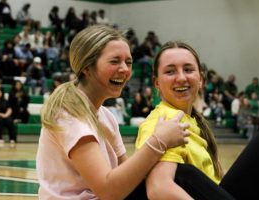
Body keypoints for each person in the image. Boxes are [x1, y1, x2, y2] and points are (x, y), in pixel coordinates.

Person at [36, 25, 190, 200]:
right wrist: (158, 141)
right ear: (87, 67)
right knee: (183, 177)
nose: (124, 69)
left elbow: (129, 178)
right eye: (115, 61)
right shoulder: (70, 117)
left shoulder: (106, 116)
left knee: (176, 175)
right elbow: (108, 191)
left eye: (128, 62)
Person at [135, 41, 259, 200]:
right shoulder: (164, 120)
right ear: (156, 83)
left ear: (201, 79)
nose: (181, 77)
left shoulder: (192, 120)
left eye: (188, 69)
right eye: (170, 71)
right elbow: (159, 188)